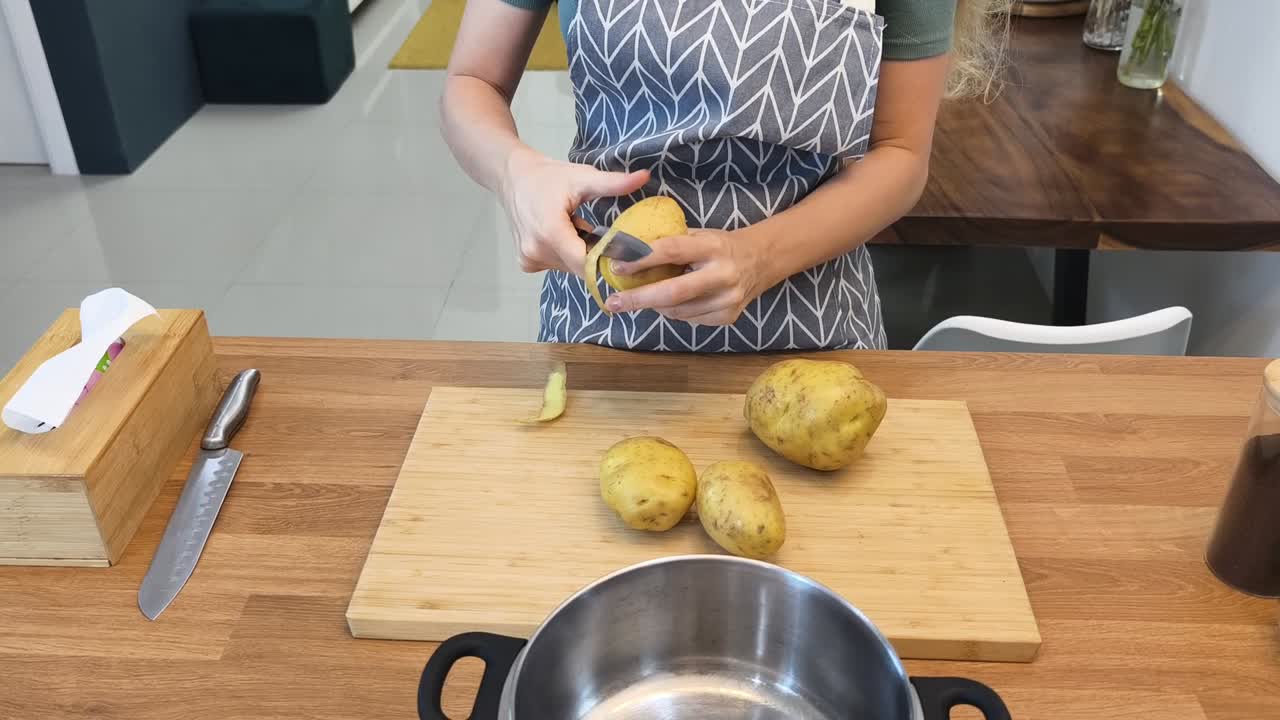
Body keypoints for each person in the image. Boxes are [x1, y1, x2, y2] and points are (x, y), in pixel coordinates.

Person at [441, 0, 1007, 351]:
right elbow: (473, 81)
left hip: (810, 335)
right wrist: (516, 173)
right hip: (600, 325)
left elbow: (900, 152)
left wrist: (760, 255)